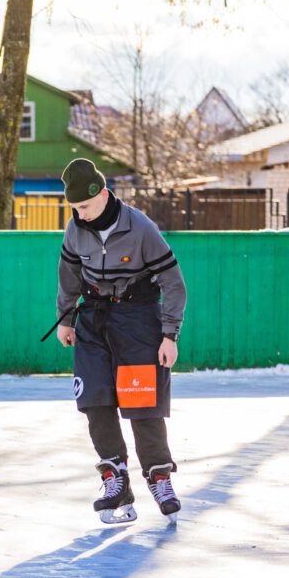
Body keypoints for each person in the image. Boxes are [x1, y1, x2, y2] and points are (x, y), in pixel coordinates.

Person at [48, 158, 187, 524]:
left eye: (87, 206)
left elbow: (174, 284)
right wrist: (65, 318)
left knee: (142, 403)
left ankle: (159, 477)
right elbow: (69, 276)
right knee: (95, 398)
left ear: (104, 194)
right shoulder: (75, 229)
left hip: (138, 318)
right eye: (75, 208)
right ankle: (115, 478)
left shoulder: (140, 227)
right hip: (93, 319)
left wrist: (169, 334)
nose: (82, 214)